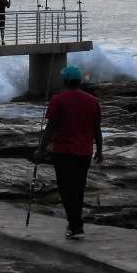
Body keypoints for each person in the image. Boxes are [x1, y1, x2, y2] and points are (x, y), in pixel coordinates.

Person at [36, 65, 102, 239]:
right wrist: (100, 151)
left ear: (64, 81)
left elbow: (50, 129)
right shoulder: (92, 101)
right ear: (79, 81)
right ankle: (75, 224)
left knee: (66, 189)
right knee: (78, 189)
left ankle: (75, 225)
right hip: (84, 152)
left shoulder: (58, 100)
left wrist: (40, 150)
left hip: (63, 152)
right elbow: (97, 129)